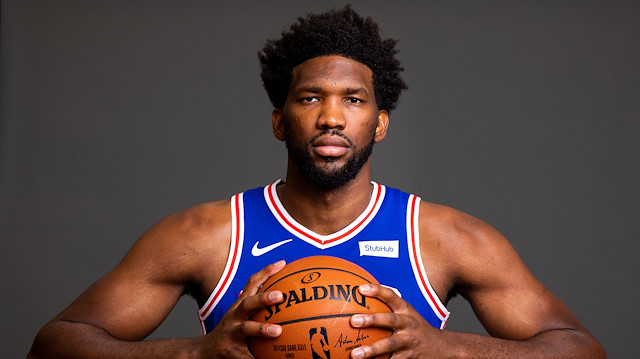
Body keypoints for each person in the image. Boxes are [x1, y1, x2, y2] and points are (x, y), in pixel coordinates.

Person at [28, 5, 607, 358]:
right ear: (281, 120)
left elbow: (581, 350)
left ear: (379, 123)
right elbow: (54, 344)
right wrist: (196, 354)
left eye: (353, 100)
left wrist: (443, 347)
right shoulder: (207, 234)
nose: (331, 117)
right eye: (311, 98)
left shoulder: (445, 238)